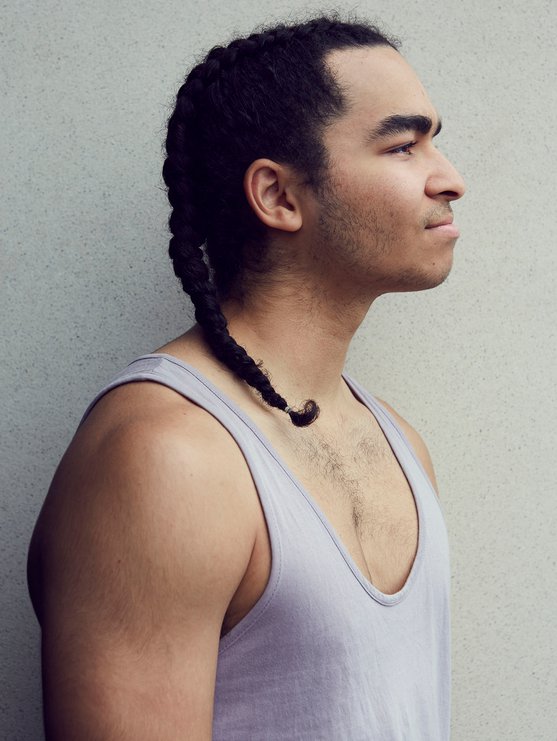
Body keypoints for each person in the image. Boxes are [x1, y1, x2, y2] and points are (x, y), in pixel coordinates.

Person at [28, 14, 466, 740]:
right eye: (402, 145)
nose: (450, 178)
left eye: (434, 141)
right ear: (279, 197)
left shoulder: (400, 443)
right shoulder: (167, 458)